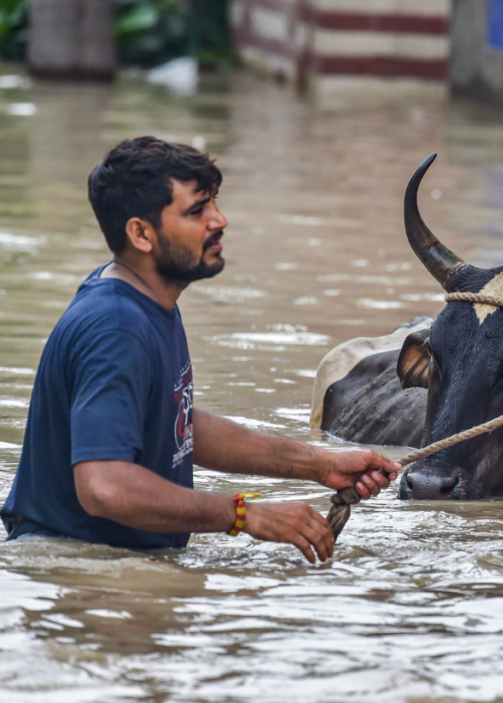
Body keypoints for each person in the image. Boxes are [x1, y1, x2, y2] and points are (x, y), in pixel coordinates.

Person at [1, 137, 400, 563]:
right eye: (197, 211)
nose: (219, 220)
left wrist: (319, 464)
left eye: (214, 203)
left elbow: (178, 423)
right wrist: (244, 515)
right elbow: (106, 487)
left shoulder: (143, 300)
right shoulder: (116, 327)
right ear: (140, 233)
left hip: (115, 560)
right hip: (81, 568)